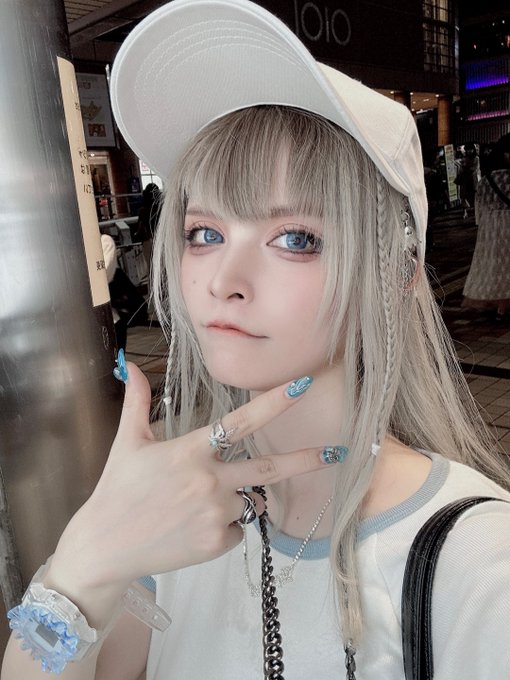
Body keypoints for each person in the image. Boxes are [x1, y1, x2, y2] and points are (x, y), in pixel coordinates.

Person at [3, 2, 510, 679]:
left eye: (295, 238)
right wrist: (86, 564)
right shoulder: (173, 512)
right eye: (204, 233)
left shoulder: (479, 565)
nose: (224, 281)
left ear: (397, 275)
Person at [463, 133, 510, 320]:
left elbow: (479, 207)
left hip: (490, 230)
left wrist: (483, 226)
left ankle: (500, 305)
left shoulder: (485, 180)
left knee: (495, 264)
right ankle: (503, 307)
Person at [454, 142, 481, 219]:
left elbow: (474, 169)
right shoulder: (464, 158)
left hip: (473, 179)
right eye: (468, 150)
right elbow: (461, 168)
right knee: (464, 196)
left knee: (474, 196)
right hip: (465, 180)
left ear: (473, 150)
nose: (469, 151)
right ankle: (465, 212)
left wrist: (464, 167)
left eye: (471, 149)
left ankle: (476, 212)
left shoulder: (476, 158)